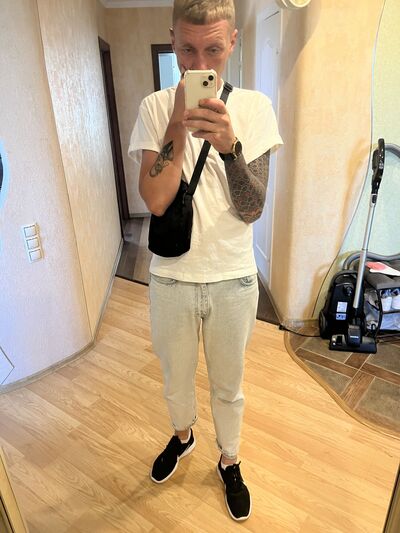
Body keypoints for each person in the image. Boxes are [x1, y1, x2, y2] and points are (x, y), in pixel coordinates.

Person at [129, 0, 282, 521]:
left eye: (213, 50)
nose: (199, 64)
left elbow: (252, 207)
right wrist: (177, 121)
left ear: (233, 41)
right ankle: (183, 437)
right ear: (172, 40)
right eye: (187, 50)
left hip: (233, 279)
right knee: (175, 379)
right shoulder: (155, 108)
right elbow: (155, 201)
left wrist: (230, 147)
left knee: (228, 387)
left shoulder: (256, 108)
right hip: (172, 278)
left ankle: (229, 459)